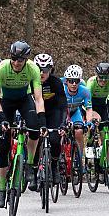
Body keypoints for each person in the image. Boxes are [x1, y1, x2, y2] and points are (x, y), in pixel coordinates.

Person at [0, 41, 45, 207]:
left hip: (24, 100)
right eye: (14, 58)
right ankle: (1, 190)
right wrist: (1, 118)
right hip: (5, 102)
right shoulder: (1, 68)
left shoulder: (33, 69)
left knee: (35, 130)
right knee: (3, 147)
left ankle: (29, 165)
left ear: (26, 60)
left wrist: (42, 120)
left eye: (20, 60)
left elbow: (38, 98)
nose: (16, 62)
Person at [35, 53, 67, 184]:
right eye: (39, 70)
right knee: (34, 139)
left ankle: (54, 167)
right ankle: (33, 168)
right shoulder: (31, 83)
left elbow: (63, 106)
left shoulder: (56, 83)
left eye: (46, 70)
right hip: (37, 113)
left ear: (51, 70)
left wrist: (63, 124)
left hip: (53, 113)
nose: (42, 73)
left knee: (55, 139)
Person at [63, 64, 91, 171]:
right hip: (62, 112)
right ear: (66, 81)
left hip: (75, 112)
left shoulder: (85, 91)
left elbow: (89, 109)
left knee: (79, 131)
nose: (74, 84)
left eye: (77, 81)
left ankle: (80, 160)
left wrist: (88, 123)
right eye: (71, 81)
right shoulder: (61, 88)